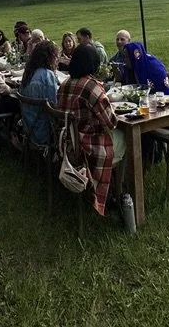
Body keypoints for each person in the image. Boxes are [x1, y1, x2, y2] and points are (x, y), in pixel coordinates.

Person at [57, 44, 125, 216]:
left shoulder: (65, 84)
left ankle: (111, 187)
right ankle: (118, 192)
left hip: (67, 143)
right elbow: (110, 123)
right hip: (88, 147)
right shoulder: (91, 86)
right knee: (127, 137)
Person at [19, 40, 59, 147]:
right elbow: (53, 106)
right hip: (43, 130)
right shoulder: (47, 75)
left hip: (29, 126)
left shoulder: (29, 73)